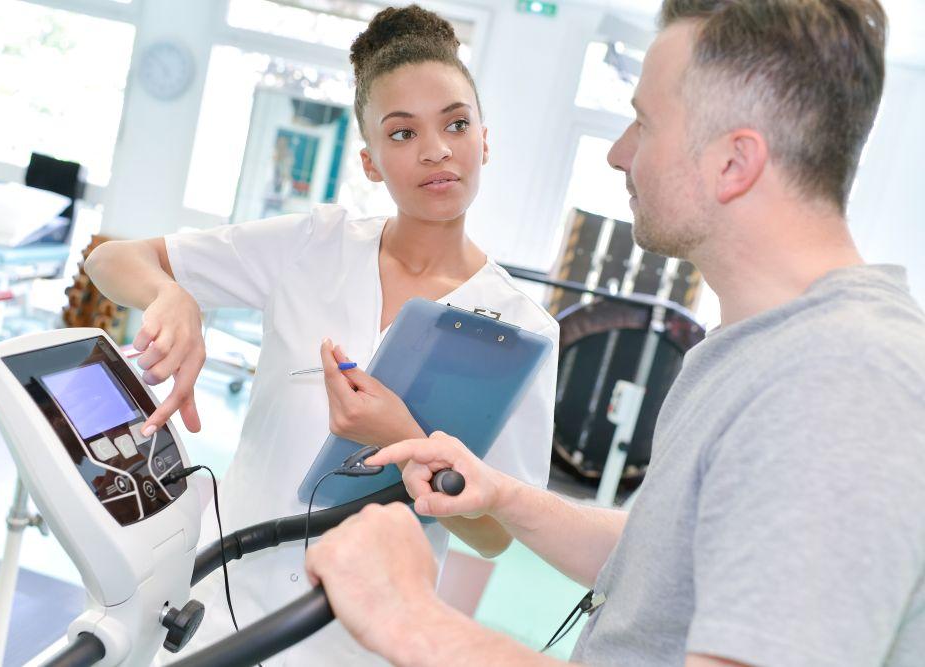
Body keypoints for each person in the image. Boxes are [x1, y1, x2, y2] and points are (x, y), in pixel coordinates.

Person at [305, 1, 925, 665]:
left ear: (732, 162)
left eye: (644, 122)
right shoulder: (749, 351)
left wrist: (408, 615)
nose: (616, 153)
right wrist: (505, 495)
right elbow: (663, 560)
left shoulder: (844, 381)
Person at [84, 5, 559, 664]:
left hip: (362, 641)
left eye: (456, 123)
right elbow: (110, 259)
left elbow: (495, 533)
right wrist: (173, 293)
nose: (435, 150)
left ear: (485, 138)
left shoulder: (523, 328)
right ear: (368, 161)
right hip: (224, 609)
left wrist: (404, 437)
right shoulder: (312, 245)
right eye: (402, 133)